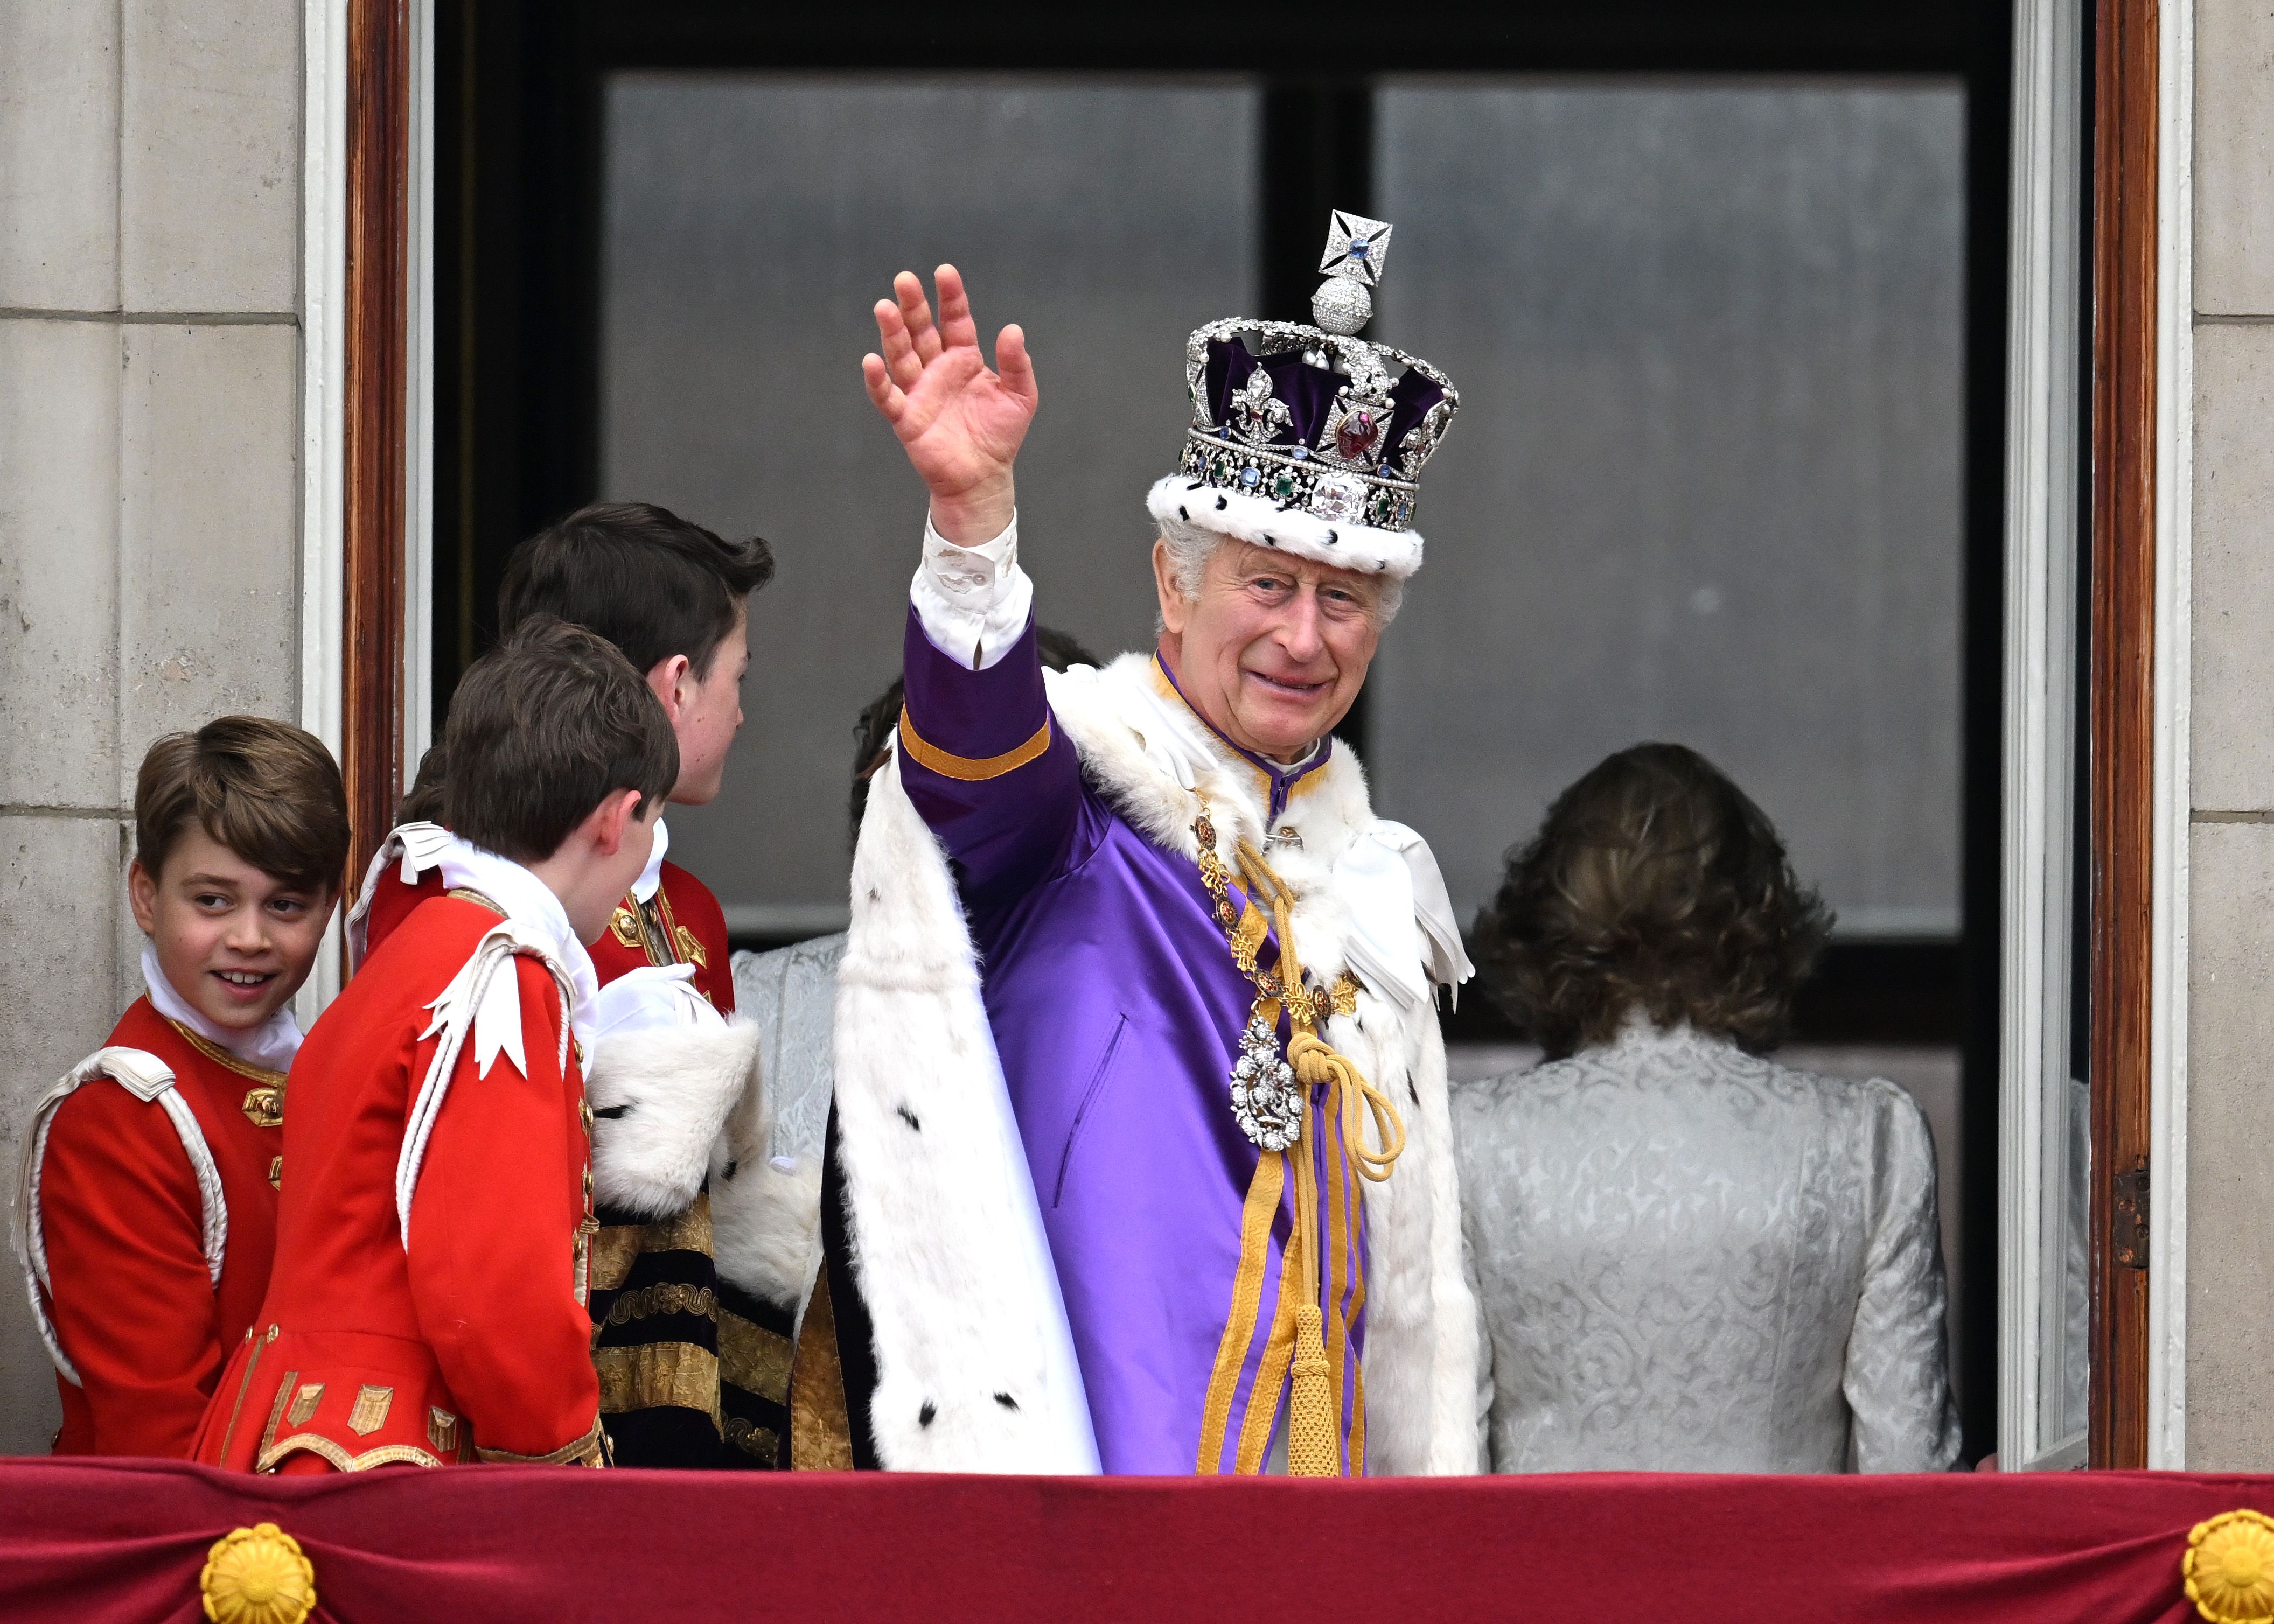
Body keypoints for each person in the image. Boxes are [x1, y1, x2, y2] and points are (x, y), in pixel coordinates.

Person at [811, 224, 1480, 1476]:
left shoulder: (1378, 881)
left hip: (1320, 1505)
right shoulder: (1080, 803)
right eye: (1264, 584)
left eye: (1340, 600)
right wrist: (971, 526)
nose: (1301, 634)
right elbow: (969, 759)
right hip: (1099, 1502)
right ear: (1171, 586)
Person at [348, 503, 806, 1468]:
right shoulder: (449, 889)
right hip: (499, 1417)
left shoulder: (690, 909)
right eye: (737, 678)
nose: (740, 710)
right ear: (676, 684)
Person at [192, 618, 675, 1472]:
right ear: (616, 820)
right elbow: (498, 1290)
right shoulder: (504, 975)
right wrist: (562, 1464)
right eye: (652, 829)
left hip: (289, 1429)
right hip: (388, 1454)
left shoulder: (418, 946)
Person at [1456, 742, 1962, 1474]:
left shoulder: (1467, 1142)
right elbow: (1908, 1473)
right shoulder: (1864, 1143)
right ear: (1759, 915)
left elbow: (1439, 1470)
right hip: (1793, 1591)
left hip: (1539, 1590)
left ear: (1549, 915)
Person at [14, 718, 348, 1457]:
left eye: (285, 905)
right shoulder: (118, 1117)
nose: (251, 938)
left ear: (328, 908)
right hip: (197, 1544)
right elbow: (158, 1435)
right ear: (145, 895)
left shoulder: (336, 1080)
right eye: (213, 901)